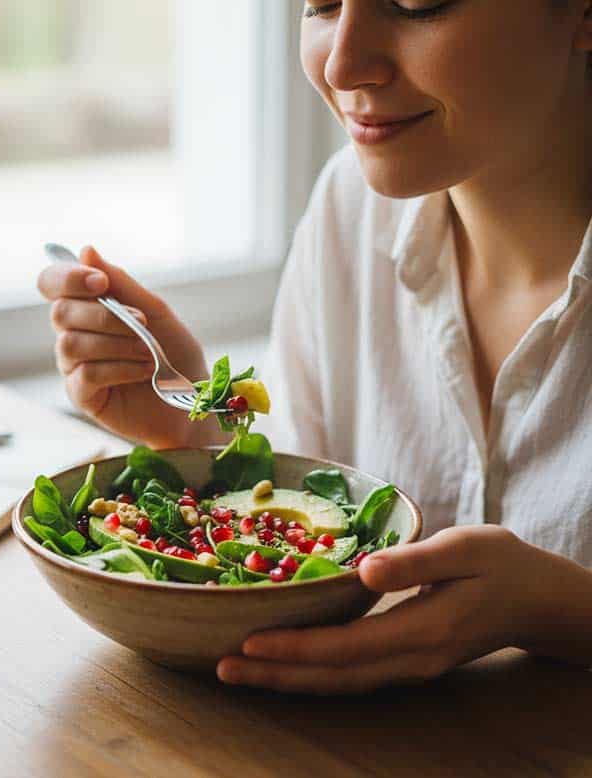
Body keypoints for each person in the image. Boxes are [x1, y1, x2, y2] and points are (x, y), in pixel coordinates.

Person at [37, 0, 592, 693]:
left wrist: (561, 611)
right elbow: (311, 522)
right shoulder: (349, 210)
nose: (341, 63)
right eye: (321, 3)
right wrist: (197, 432)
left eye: (417, 5)